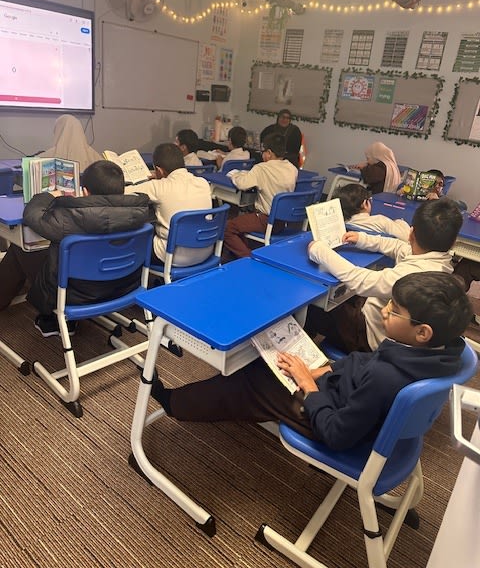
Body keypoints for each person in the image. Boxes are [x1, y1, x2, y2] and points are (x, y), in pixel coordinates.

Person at [149, 272, 472, 451]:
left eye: (394, 310)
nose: (384, 311)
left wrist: (307, 384)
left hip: (329, 416)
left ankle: (174, 403)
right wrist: (322, 370)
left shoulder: (385, 377)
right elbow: (363, 363)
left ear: (423, 332)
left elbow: (337, 434)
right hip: (341, 393)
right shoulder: (442, 355)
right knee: (272, 365)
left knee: (251, 377)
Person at [0, 160, 152, 336]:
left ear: (85, 191)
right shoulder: (141, 212)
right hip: (124, 288)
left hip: (74, 294)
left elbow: (32, 215)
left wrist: (47, 196)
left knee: (20, 249)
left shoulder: (70, 217)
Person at [304, 198, 463, 353]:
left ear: (411, 233)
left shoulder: (413, 276)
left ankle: (308, 351)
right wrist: (361, 239)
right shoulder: (438, 261)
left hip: (369, 335)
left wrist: (319, 251)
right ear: (454, 241)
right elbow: (397, 246)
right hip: (375, 312)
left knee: (312, 307)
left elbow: (360, 280)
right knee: (341, 297)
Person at [125, 143, 212, 265]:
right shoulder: (203, 183)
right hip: (205, 250)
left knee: (135, 237)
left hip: (172, 255)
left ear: (159, 170)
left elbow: (123, 192)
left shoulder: (158, 187)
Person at [223, 133, 297, 259]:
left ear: (269, 153)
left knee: (227, 227)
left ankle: (249, 258)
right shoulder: (292, 168)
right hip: (282, 222)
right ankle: (243, 252)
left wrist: (235, 175)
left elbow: (242, 184)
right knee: (242, 222)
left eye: (263, 152)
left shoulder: (262, 168)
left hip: (265, 220)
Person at [335, 183, 410, 241]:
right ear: (364, 204)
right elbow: (408, 238)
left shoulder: (342, 224)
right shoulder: (381, 221)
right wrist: (401, 222)